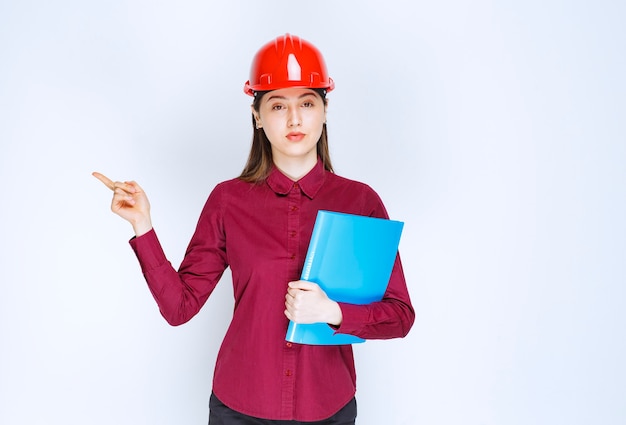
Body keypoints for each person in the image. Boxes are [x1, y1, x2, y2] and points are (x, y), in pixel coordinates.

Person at [94, 33, 414, 424]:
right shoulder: (228, 201)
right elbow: (179, 307)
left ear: (325, 110)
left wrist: (331, 312)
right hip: (240, 407)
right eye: (278, 105)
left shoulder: (361, 203)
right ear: (258, 116)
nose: (294, 119)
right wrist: (142, 225)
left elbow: (399, 315)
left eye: (307, 103)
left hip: (327, 408)